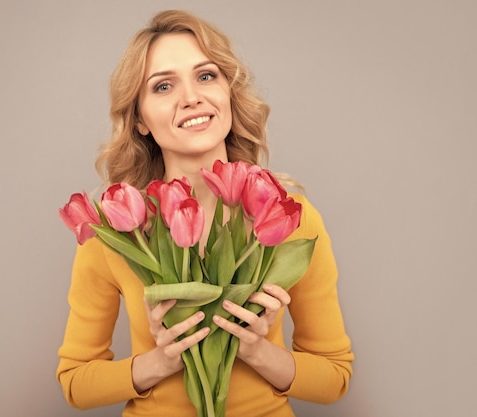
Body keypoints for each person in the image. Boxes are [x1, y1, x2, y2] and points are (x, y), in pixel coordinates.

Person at [57, 9, 354, 417]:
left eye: (206, 75)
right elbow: (75, 383)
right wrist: (160, 362)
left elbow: (335, 377)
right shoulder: (117, 229)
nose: (191, 97)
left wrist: (257, 351)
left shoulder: (290, 217)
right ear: (140, 119)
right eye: (163, 86)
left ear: (228, 92)